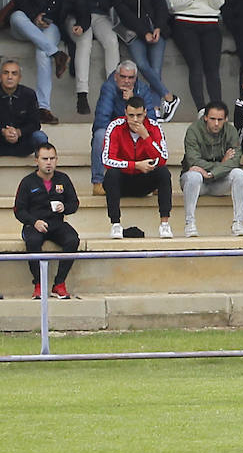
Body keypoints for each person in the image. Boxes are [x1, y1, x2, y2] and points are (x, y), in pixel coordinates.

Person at [9, 0, 86, 124]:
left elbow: (84, 11)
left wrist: (82, 25)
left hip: (50, 27)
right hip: (26, 25)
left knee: (42, 52)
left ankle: (43, 108)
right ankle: (57, 53)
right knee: (16, 16)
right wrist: (34, 16)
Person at [108, 0, 181, 119]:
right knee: (141, 64)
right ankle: (169, 97)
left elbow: (160, 3)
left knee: (155, 69)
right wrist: (144, 32)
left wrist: (159, 27)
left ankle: (155, 108)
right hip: (133, 31)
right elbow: (125, 14)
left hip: (156, 28)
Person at [166, 0, 225, 110]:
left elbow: (219, 3)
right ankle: (201, 110)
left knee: (212, 69)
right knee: (196, 66)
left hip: (210, 23)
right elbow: (175, 5)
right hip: (185, 24)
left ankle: (217, 109)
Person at [14, 142, 80, 299]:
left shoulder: (63, 179)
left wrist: (65, 207)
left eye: (52, 158)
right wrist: (34, 222)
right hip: (33, 225)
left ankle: (59, 284)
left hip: (57, 224)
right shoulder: (27, 182)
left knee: (73, 240)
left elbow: (74, 204)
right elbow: (19, 210)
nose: (49, 162)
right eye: (45, 159)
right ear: (36, 160)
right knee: (33, 241)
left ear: (57, 160)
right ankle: (39, 284)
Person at [102, 96, 173, 239]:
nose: (135, 120)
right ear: (125, 113)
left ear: (145, 112)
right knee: (111, 174)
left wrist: (146, 137)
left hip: (144, 181)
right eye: (131, 115)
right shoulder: (115, 126)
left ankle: (164, 224)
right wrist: (135, 165)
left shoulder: (154, 127)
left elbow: (162, 159)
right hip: (122, 182)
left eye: (139, 115)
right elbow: (107, 159)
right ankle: (115, 224)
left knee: (164, 172)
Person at [179, 99, 243, 238]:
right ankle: (189, 223)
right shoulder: (193, 130)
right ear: (205, 117)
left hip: (219, 181)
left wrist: (212, 173)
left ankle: (238, 223)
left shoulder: (231, 131)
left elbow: (235, 161)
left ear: (226, 119)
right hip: (197, 183)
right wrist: (222, 163)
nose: (216, 123)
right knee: (194, 176)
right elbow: (193, 161)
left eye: (220, 120)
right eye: (212, 119)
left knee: (239, 174)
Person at [71, 0, 121, 117]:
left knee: (112, 41)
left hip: (100, 15)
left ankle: (113, 90)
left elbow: (108, 2)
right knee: (84, 42)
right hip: (77, 16)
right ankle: (82, 94)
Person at [90, 60, 159, 190]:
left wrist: (133, 100)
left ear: (135, 78)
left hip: (136, 130)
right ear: (116, 76)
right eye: (123, 77)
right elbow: (101, 120)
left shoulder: (142, 88)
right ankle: (98, 182)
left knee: (151, 134)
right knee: (100, 135)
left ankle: (154, 180)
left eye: (131, 78)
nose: (127, 81)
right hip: (116, 132)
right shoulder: (109, 87)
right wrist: (120, 131)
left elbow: (152, 120)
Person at [0, 60, 48, 157]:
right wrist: (3, 131)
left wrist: (18, 132)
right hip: (1, 142)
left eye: (14, 73)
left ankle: (43, 165)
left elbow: (35, 124)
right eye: (6, 73)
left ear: (19, 78)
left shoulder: (29, 94)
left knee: (40, 136)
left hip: (22, 142)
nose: (10, 77)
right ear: (0, 76)